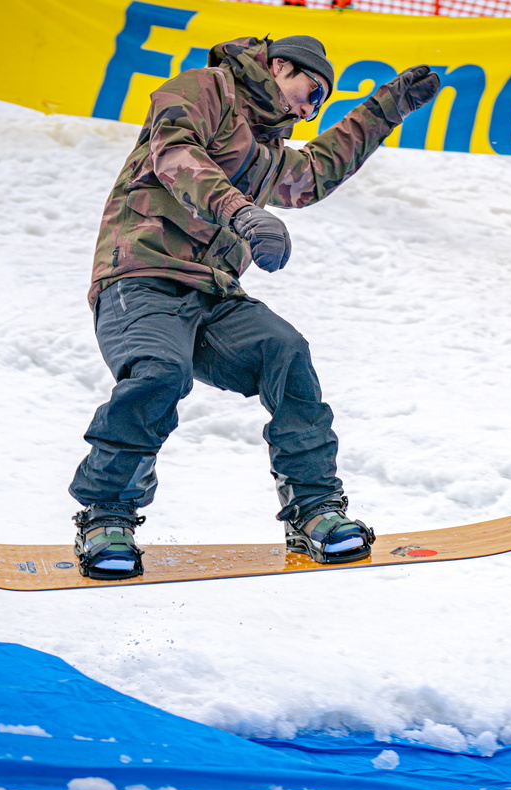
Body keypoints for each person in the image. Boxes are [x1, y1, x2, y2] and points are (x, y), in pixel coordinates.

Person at [67, 35, 440, 579]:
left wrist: (388, 107)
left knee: (285, 351)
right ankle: (106, 513)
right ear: (279, 65)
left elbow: (314, 173)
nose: (310, 109)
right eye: (310, 91)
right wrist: (241, 213)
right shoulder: (205, 88)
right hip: (141, 274)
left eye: (319, 104)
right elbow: (174, 153)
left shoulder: (265, 153)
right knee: (160, 373)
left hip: (212, 294)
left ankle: (314, 509)